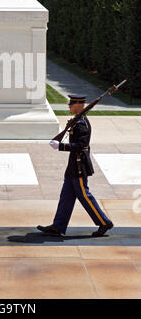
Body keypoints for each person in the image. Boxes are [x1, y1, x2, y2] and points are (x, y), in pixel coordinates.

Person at [37, 94, 113, 237]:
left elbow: (81, 145)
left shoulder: (82, 124)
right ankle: (58, 226)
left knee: (85, 196)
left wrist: (61, 146)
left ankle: (104, 222)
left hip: (79, 166)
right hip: (73, 165)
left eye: (71, 104)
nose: (69, 106)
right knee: (66, 197)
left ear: (79, 106)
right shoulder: (77, 121)